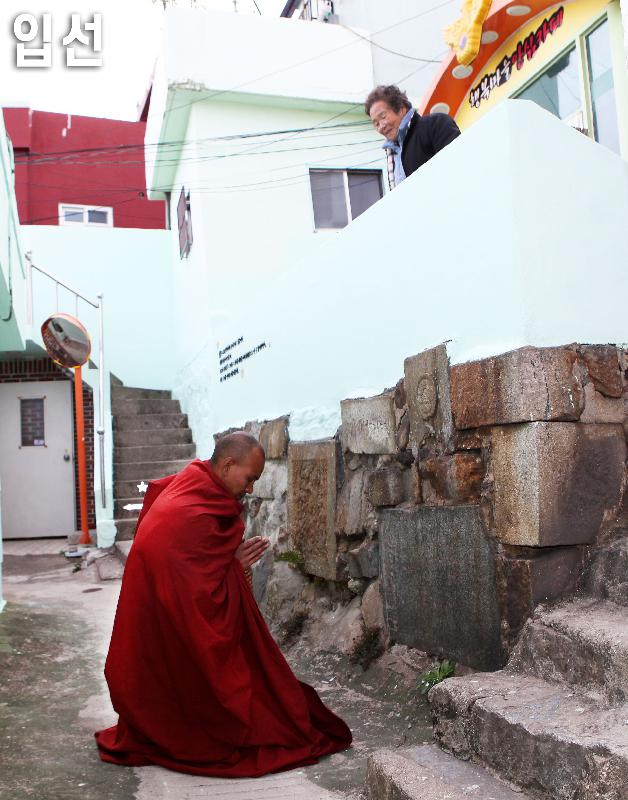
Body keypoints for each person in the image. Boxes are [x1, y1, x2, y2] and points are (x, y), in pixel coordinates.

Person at [95, 432, 351, 777]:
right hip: (162, 608)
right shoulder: (190, 513)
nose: (250, 489)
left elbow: (193, 571)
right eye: (249, 479)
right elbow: (194, 593)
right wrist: (233, 566)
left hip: (163, 604)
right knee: (265, 716)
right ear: (228, 464)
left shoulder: (195, 483)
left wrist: (227, 563)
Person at [365, 84, 461, 189]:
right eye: (376, 124)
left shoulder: (436, 124)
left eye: (383, 117)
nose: (381, 127)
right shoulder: (393, 152)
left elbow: (459, 166)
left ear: (401, 109)